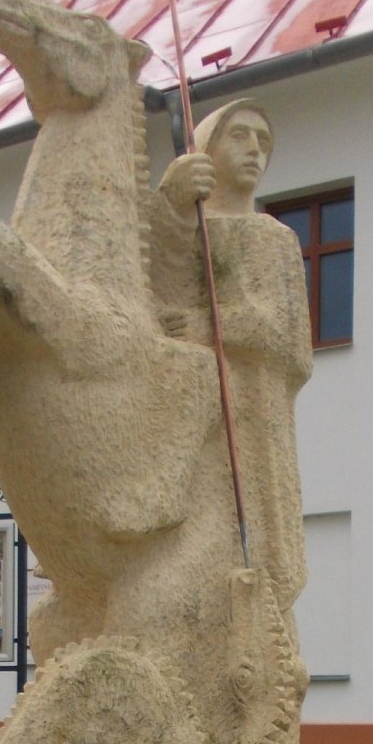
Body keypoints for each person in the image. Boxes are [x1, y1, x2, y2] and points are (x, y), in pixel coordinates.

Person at [151, 100, 313, 627]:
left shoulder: (274, 237)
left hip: (252, 404)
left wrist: (211, 327)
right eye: (239, 136)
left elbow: (288, 338)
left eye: (263, 142)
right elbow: (149, 285)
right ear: (207, 148)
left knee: (255, 542)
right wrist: (172, 202)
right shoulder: (185, 223)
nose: (254, 151)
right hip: (182, 399)